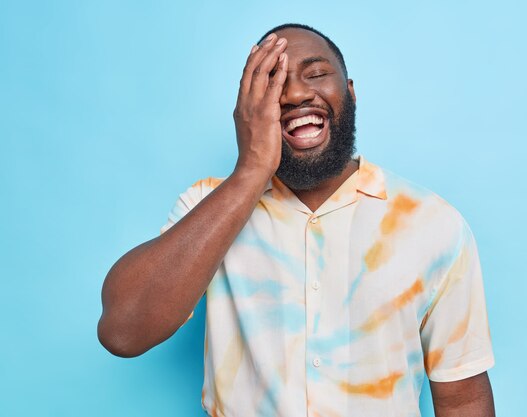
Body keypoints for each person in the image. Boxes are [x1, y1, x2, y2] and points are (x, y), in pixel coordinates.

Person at [98, 23, 496, 417]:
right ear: (249, 109)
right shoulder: (207, 204)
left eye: (317, 74)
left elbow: (462, 397)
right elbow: (124, 331)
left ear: (350, 93)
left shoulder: (432, 223)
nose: (297, 93)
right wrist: (251, 171)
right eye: (272, 82)